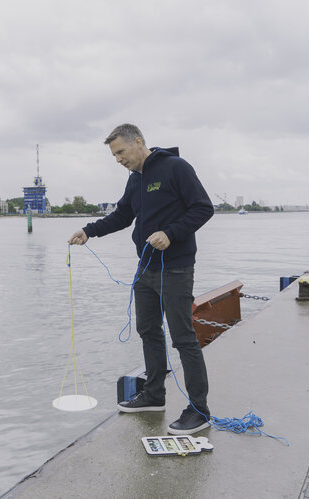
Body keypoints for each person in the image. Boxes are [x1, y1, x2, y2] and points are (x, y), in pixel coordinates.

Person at [68, 123, 214, 435]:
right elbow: (122, 216)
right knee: (148, 330)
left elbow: (203, 208)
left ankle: (200, 410)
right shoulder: (135, 181)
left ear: (138, 142)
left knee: (183, 337)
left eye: (121, 152)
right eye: (114, 155)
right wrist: (88, 231)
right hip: (145, 269)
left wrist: (170, 234)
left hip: (175, 268)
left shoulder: (176, 168)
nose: (118, 159)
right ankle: (154, 394)